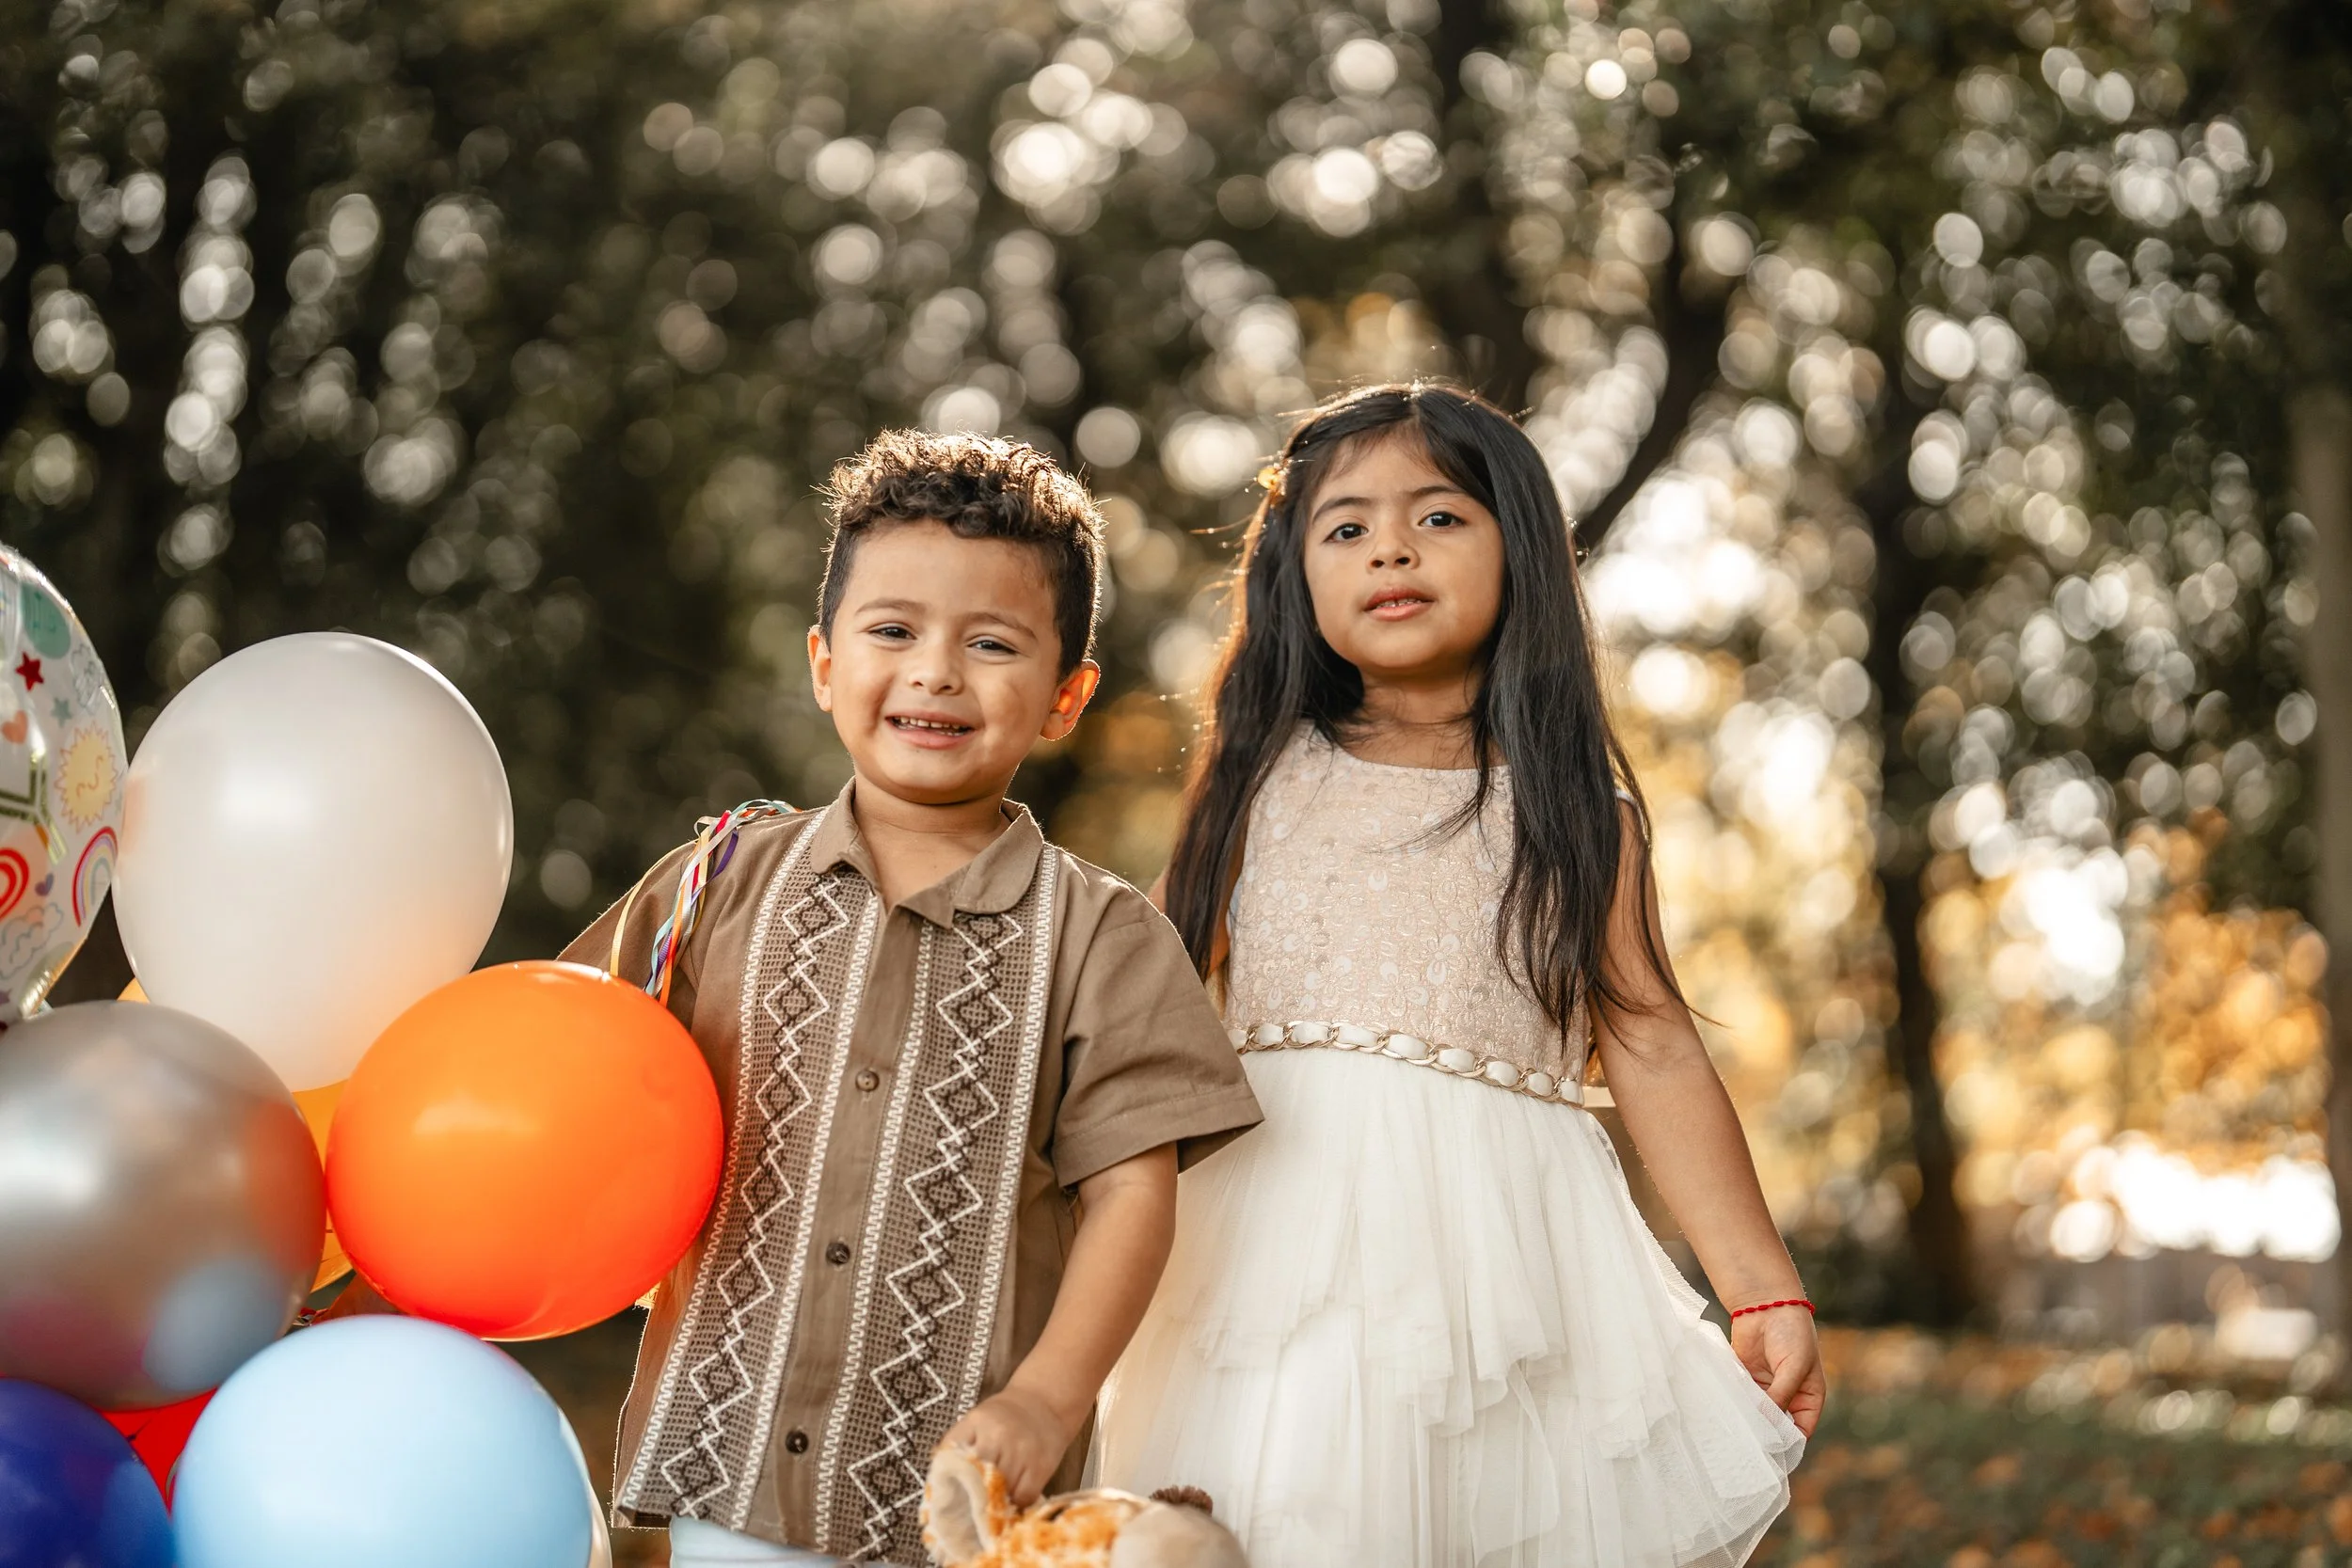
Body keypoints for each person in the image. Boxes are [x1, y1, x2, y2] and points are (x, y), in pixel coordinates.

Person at [1094, 383, 1820, 1568]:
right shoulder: (1254, 777)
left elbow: (1648, 1041)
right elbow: (1158, 1018)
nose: (1390, 545)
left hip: (1508, 1271)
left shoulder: (1580, 808)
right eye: (1346, 527)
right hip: (1275, 1249)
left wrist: (1761, 1286)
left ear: (1517, 548)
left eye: (1438, 516)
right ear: (1298, 577)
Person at [567, 431, 1263, 1566]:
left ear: (1066, 695)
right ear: (825, 661)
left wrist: (1047, 1397)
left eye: (991, 643)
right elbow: (557, 1071)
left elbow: (1134, 1195)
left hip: (963, 1490)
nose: (937, 671)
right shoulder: (716, 880)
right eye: (892, 630)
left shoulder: (1103, 934)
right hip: (729, 1462)